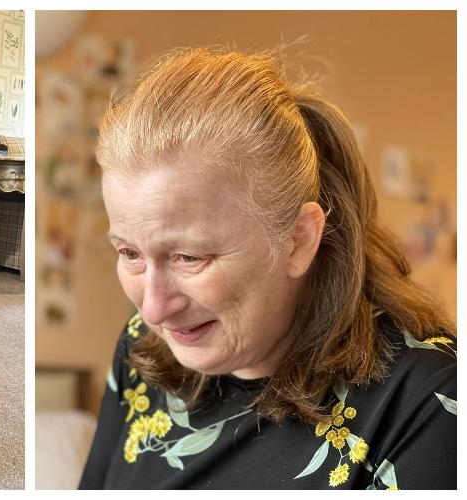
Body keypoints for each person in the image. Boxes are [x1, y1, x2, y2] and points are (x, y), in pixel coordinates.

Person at [79, 47, 456, 489]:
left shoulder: (429, 407)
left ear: (299, 240)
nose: (155, 310)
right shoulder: (142, 348)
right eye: (130, 254)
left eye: (189, 257)